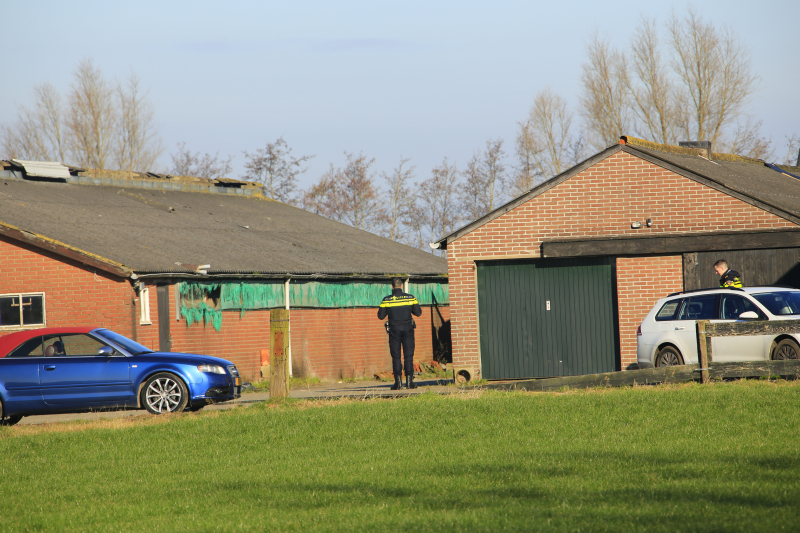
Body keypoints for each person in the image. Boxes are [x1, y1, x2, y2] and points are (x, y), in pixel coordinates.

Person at [378, 278, 422, 390]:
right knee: (408, 356)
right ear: (401, 286)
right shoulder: (410, 297)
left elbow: (380, 316)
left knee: (396, 356)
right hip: (408, 329)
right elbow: (418, 312)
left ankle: (398, 384)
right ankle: (409, 383)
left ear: (392, 287)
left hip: (394, 330)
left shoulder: (386, 299)